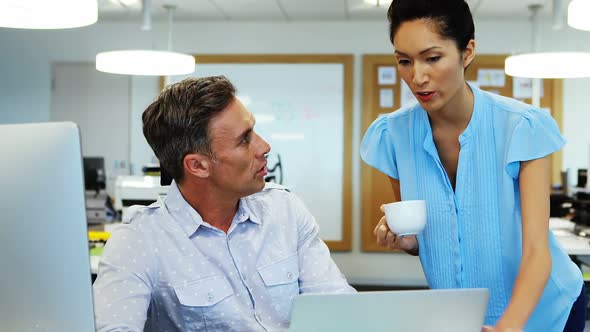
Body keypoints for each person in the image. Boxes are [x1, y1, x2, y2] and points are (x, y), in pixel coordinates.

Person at [360, 1, 586, 331]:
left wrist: (509, 326)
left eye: (432, 58)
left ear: (467, 53)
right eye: (404, 61)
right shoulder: (392, 136)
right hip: (463, 316)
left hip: (546, 312)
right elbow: (423, 235)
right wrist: (407, 242)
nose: (417, 76)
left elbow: (537, 249)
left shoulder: (522, 126)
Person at [93, 76, 355, 332]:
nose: (264, 146)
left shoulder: (284, 210)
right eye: (244, 139)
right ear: (198, 165)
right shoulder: (139, 241)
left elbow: (338, 308)